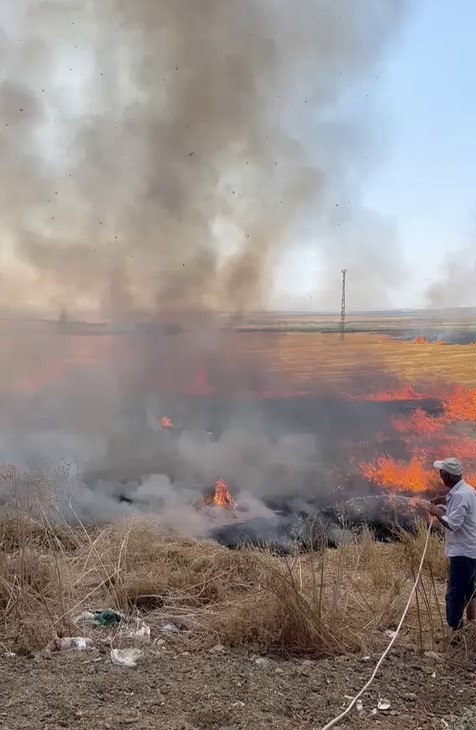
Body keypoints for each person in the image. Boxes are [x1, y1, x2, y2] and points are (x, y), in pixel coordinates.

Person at [428, 458, 476, 636]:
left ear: (447, 476)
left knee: (454, 593)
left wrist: (437, 513)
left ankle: (455, 632)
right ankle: (472, 625)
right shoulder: (466, 489)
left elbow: (453, 524)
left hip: (462, 553)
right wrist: (445, 500)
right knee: (470, 589)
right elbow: (459, 505)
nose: (440, 476)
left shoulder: (461, 495)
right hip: (471, 550)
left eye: (441, 473)